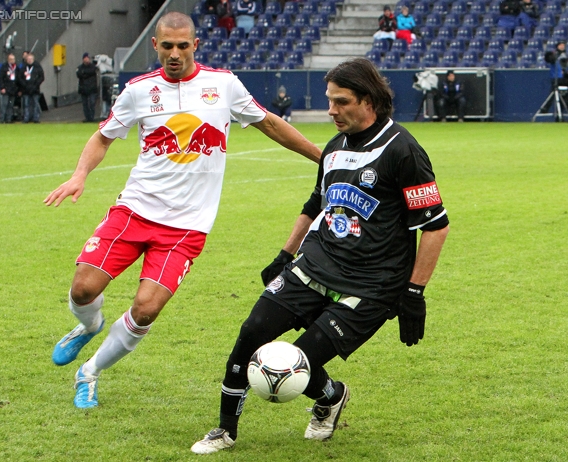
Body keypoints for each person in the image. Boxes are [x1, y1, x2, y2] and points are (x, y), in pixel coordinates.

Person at [44, 12, 321, 410]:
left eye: (182, 45)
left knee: (145, 310)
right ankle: (89, 324)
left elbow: (271, 124)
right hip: (134, 211)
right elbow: (103, 137)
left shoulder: (223, 85)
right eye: (167, 46)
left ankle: (88, 372)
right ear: (155, 46)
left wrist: (322, 157)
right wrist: (79, 175)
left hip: (187, 227)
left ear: (195, 45)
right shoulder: (139, 90)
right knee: (83, 289)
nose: (174, 54)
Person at [191, 57, 449, 454]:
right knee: (251, 334)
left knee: (299, 364)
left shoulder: (404, 151)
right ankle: (225, 430)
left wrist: (414, 293)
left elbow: (435, 225)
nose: (331, 110)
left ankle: (329, 395)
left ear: (369, 100)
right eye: (330, 100)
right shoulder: (333, 148)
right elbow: (317, 204)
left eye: (340, 101)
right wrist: (285, 254)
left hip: (372, 284)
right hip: (314, 264)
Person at [18, 52, 44, 123]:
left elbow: (41, 77)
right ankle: (26, 118)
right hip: (26, 89)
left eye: (30, 59)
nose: (29, 60)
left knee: (35, 104)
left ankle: (36, 118)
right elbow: (20, 77)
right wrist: (25, 85)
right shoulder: (23, 67)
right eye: (28, 59)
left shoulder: (37, 66)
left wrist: (35, 85)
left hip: (35, 89)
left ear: (33, 59)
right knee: (26, 104)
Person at [76, 52, 99, 123]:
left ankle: (91, 117)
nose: (87, 60)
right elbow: (79, 74)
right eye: (86, 58)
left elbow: (91, 71)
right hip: (83, 89)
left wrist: (84, 73)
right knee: (85, 105)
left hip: (92, 89)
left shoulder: (92, 67)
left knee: (92, 103)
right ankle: (87, 118)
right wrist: (85, 73)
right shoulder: (80, 67)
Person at [0, 53, 18, 123]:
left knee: (11, 105)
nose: (12, 60)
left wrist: (17, 88)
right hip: (5, 89)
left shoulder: (16, 67)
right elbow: (0, 78)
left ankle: (8, 119)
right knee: (4, 104)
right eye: (11, 59)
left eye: (13, 59)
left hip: (13, 89)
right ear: (8, 60)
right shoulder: (4, 67)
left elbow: (18, 78)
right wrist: (2, 87)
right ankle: (1, 119)